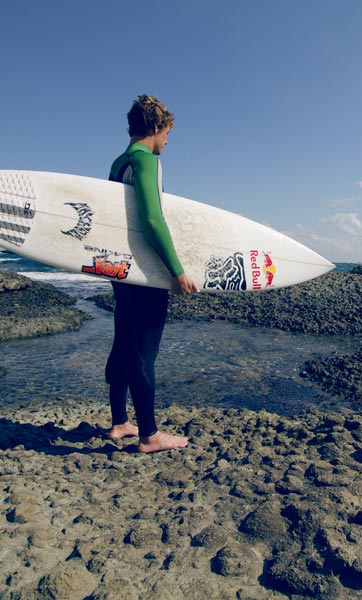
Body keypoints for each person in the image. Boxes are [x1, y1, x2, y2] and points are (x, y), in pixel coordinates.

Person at [104, 95, 199, 453]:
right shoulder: (146, 161)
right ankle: (149, 435)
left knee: (122, 344)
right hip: (145, 271)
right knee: (143, 352)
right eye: (168, 133)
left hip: (121, 271)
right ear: (156, 128)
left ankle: (119, 422)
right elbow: (152, 217)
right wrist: (177, 271)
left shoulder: (118, 163)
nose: (168, 142)